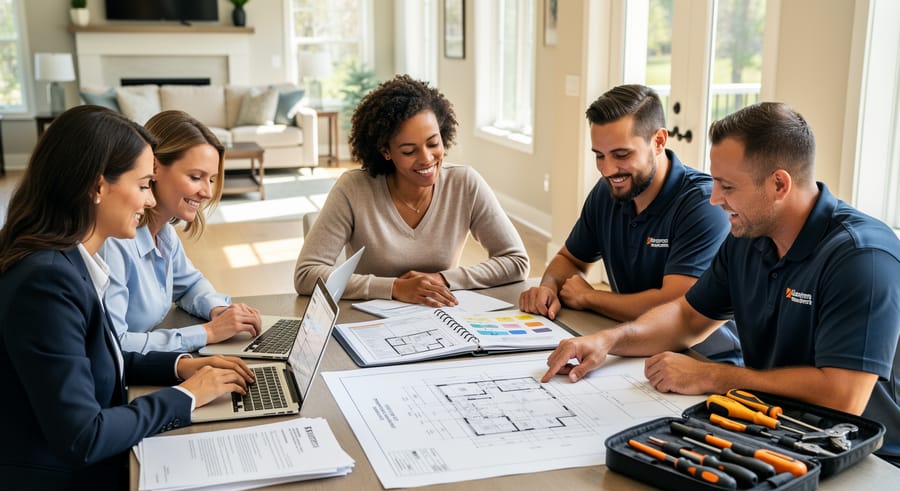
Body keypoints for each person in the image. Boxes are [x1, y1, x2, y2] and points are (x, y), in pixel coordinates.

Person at [543, 102, 900, 465]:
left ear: (779, 184)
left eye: (727, 186)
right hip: (776, 432)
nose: (715, 198)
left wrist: (713, 376)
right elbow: (687, 317)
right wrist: (608, 340)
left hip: (870, 459)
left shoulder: (863, 258)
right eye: (715, 181)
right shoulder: (748, 234)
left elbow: (843, 397)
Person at [0, 105, 255, 491]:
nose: (150, 199)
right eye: (143, 185)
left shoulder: (67, 261)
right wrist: (186, 396)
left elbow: (94, 359)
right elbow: (83, 436)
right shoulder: (46, 281)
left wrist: (179, 367)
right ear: (97, 187)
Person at [519, 84, 740, 361]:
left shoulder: (703, 204)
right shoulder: (608, 191)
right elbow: (568, 259)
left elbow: (676, 306)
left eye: (621, 155)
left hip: (702, 358)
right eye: (599, 155)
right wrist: (548, 288)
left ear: (659, 141)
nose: (608, 169)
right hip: (632, 346)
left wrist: (591, 298)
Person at [294, 74, 529, 305]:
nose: (426, 159)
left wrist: (442, 279)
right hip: (367, 322)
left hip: (440, 316)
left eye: (433, 143)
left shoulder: (464, 184)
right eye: (409, 151)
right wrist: (394, 288)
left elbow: (516, 261)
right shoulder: (353, 189)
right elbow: (306, 274)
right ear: (386, 151)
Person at [100, 110, 262, 353]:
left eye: (211, 180)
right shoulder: (114, 242)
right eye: (196, 177)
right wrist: (208, 332)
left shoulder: (164, 233)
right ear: (152, 167)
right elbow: (114, 344)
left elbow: (189, 284)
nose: (207, 192)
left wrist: (218, 310)